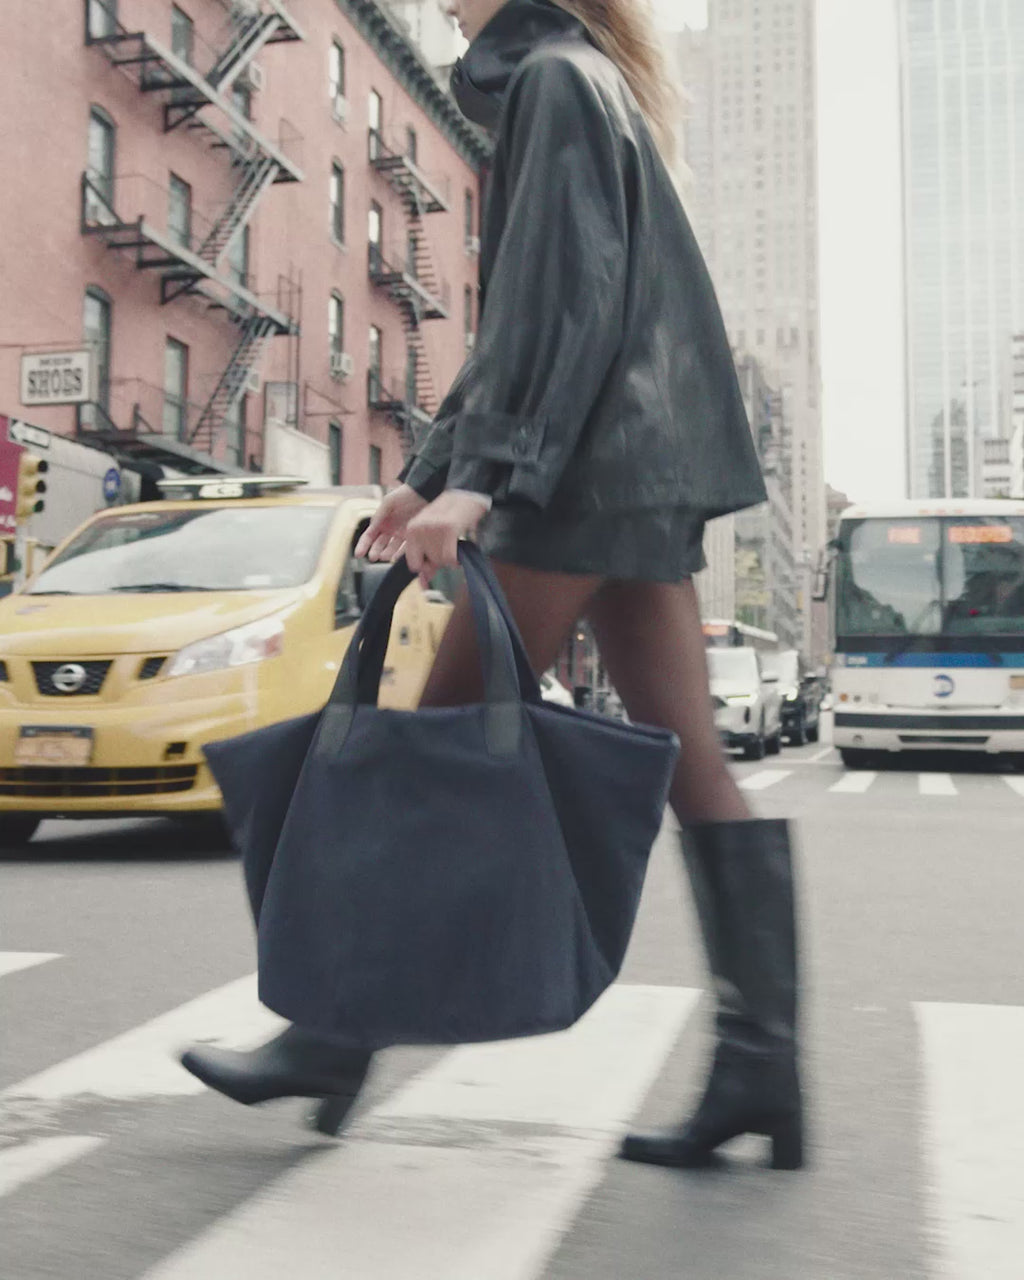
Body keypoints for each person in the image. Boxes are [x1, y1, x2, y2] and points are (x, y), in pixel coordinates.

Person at [181, 0, 804, 1171]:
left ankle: (328, 1034)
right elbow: (537, 314)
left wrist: (487, 478)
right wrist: (428, 472)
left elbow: (558, 304)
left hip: (580, 474)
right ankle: (764, 1069)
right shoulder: (572, 78)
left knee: (435, 735)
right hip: (631, 465)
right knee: (697, 766)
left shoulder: (558, 80)